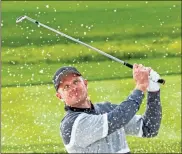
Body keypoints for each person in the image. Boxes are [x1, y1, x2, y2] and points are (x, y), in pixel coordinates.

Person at [52, 64, 162, 153]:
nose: (73, 88)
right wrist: (141, 86)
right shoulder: (72, 124)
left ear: (85, 84)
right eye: (66, 87)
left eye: (76, 81)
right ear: (59, 96)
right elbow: (118, 118)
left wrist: (153, 90)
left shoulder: (105, 109)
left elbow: (149, 128)